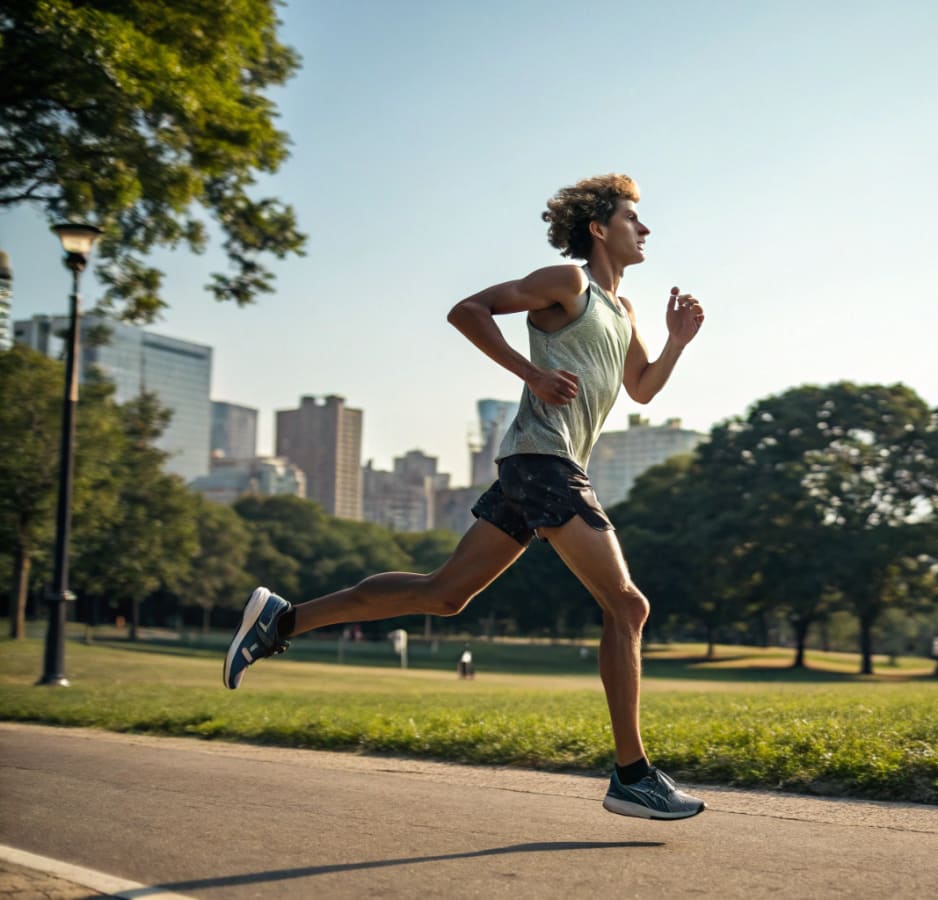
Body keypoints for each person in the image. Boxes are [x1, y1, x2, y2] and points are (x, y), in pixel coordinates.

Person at [223, 173, 706, 820]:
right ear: (599, 228)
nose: (644, 229)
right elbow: (467, 310)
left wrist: (676, 341)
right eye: (632, 219)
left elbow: (642, 388)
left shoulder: (623, 311)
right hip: (545, 462)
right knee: (628, 606)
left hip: (539, 465)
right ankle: (632, 773)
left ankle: (282, 620)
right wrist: (531, 371)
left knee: (443, 594)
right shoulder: (569, 284)